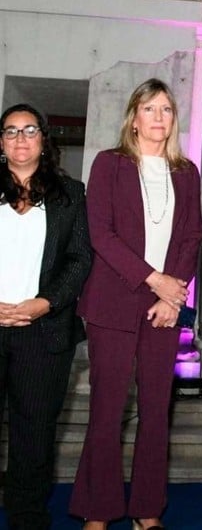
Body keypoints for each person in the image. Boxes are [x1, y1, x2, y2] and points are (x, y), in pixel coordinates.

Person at [69, 79, 202, 530]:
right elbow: (101, 234)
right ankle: (98, 509)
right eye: (150, 109)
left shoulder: (187, 172)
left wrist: (174, 293)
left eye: (166, 109)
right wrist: (156, 281)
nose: (159, 118)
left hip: (164, 309)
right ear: (134, 116)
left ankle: (147, 509)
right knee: (107, 410)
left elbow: (191, 238)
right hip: (112, 304)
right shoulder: (109, 164)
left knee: (155, 410)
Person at [0, 104, 92, 530]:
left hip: (44, 333)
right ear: (1, 143)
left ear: (43, 139)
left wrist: (45, 303)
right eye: (11, 131)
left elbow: (78, 259)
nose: (20, 138)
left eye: (29, 130)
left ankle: (26, 517)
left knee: (33, 436)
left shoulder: (71, 193)